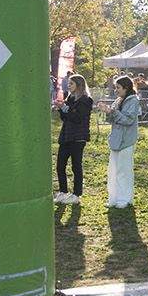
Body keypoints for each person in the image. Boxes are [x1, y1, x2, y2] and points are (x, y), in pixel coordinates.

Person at [53, 74, 92, 205]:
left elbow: (77, 118)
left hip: (78, 137)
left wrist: (65, 108)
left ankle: (76, 194)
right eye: (68, 84)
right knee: (60, 165)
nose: (68, 86)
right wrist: (61, 109)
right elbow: (66, 117)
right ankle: (63, 191)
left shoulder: (86, 100)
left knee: (76, 166)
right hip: (66, 136)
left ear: (79, 85)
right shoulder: (69, 98)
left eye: (71, 84)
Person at [105, 74, 140, 208]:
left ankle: (124, 199)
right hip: (115, 140)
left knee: (124, 171)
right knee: (113, 170)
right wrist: (108, 112)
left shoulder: (133, 101)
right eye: (115, 87)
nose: (116, 90)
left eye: (118, 87)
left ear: (126, 88)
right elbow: (112, 118)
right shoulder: (118, 100)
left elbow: (128, 119)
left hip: (126, 141)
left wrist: (112, 112)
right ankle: (114, 197)